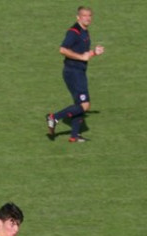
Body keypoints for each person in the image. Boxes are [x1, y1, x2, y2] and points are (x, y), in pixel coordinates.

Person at [46, 6, 105, 143]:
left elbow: (83, 54)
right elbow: (63, 49)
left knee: (80, 105)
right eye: (84, 15)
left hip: (79, 71)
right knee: (85, 104)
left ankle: (74, 135)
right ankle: (54, 117)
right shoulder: (74, 32)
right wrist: (81, 57)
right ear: (78, 17)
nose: (87, 18)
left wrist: (94, 52)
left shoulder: (85, 32)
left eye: (89, 15)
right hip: (73, 72)